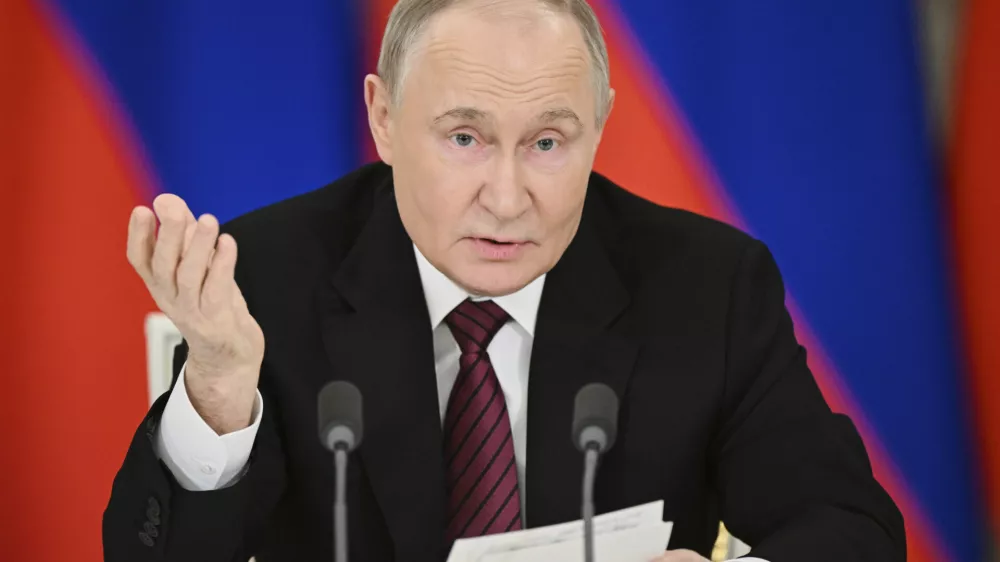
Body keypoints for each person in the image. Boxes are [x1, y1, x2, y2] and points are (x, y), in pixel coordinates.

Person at [102, 0, 905, 560]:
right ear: (383, 119)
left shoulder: (708, 286)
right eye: (464, 137)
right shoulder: (269, 277)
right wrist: (216, 387)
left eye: (549, 143)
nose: (509, 196)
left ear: (601, 124)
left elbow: (850, 527)